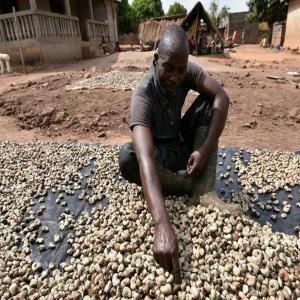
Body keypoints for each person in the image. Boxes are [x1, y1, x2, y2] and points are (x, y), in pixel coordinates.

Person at [118, 25, 241, 283]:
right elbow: (145, 159)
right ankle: (188, 186)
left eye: (181, 70)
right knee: (127, 158)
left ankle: (203, 192)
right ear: (156, 61)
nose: (176, 77)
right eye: (168, 69)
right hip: (158, 154)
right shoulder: (143, 95)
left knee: (210, 103)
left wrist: (204, 151)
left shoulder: (185, 70)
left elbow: (222, 96)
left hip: (181, 143)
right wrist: (162, 224)